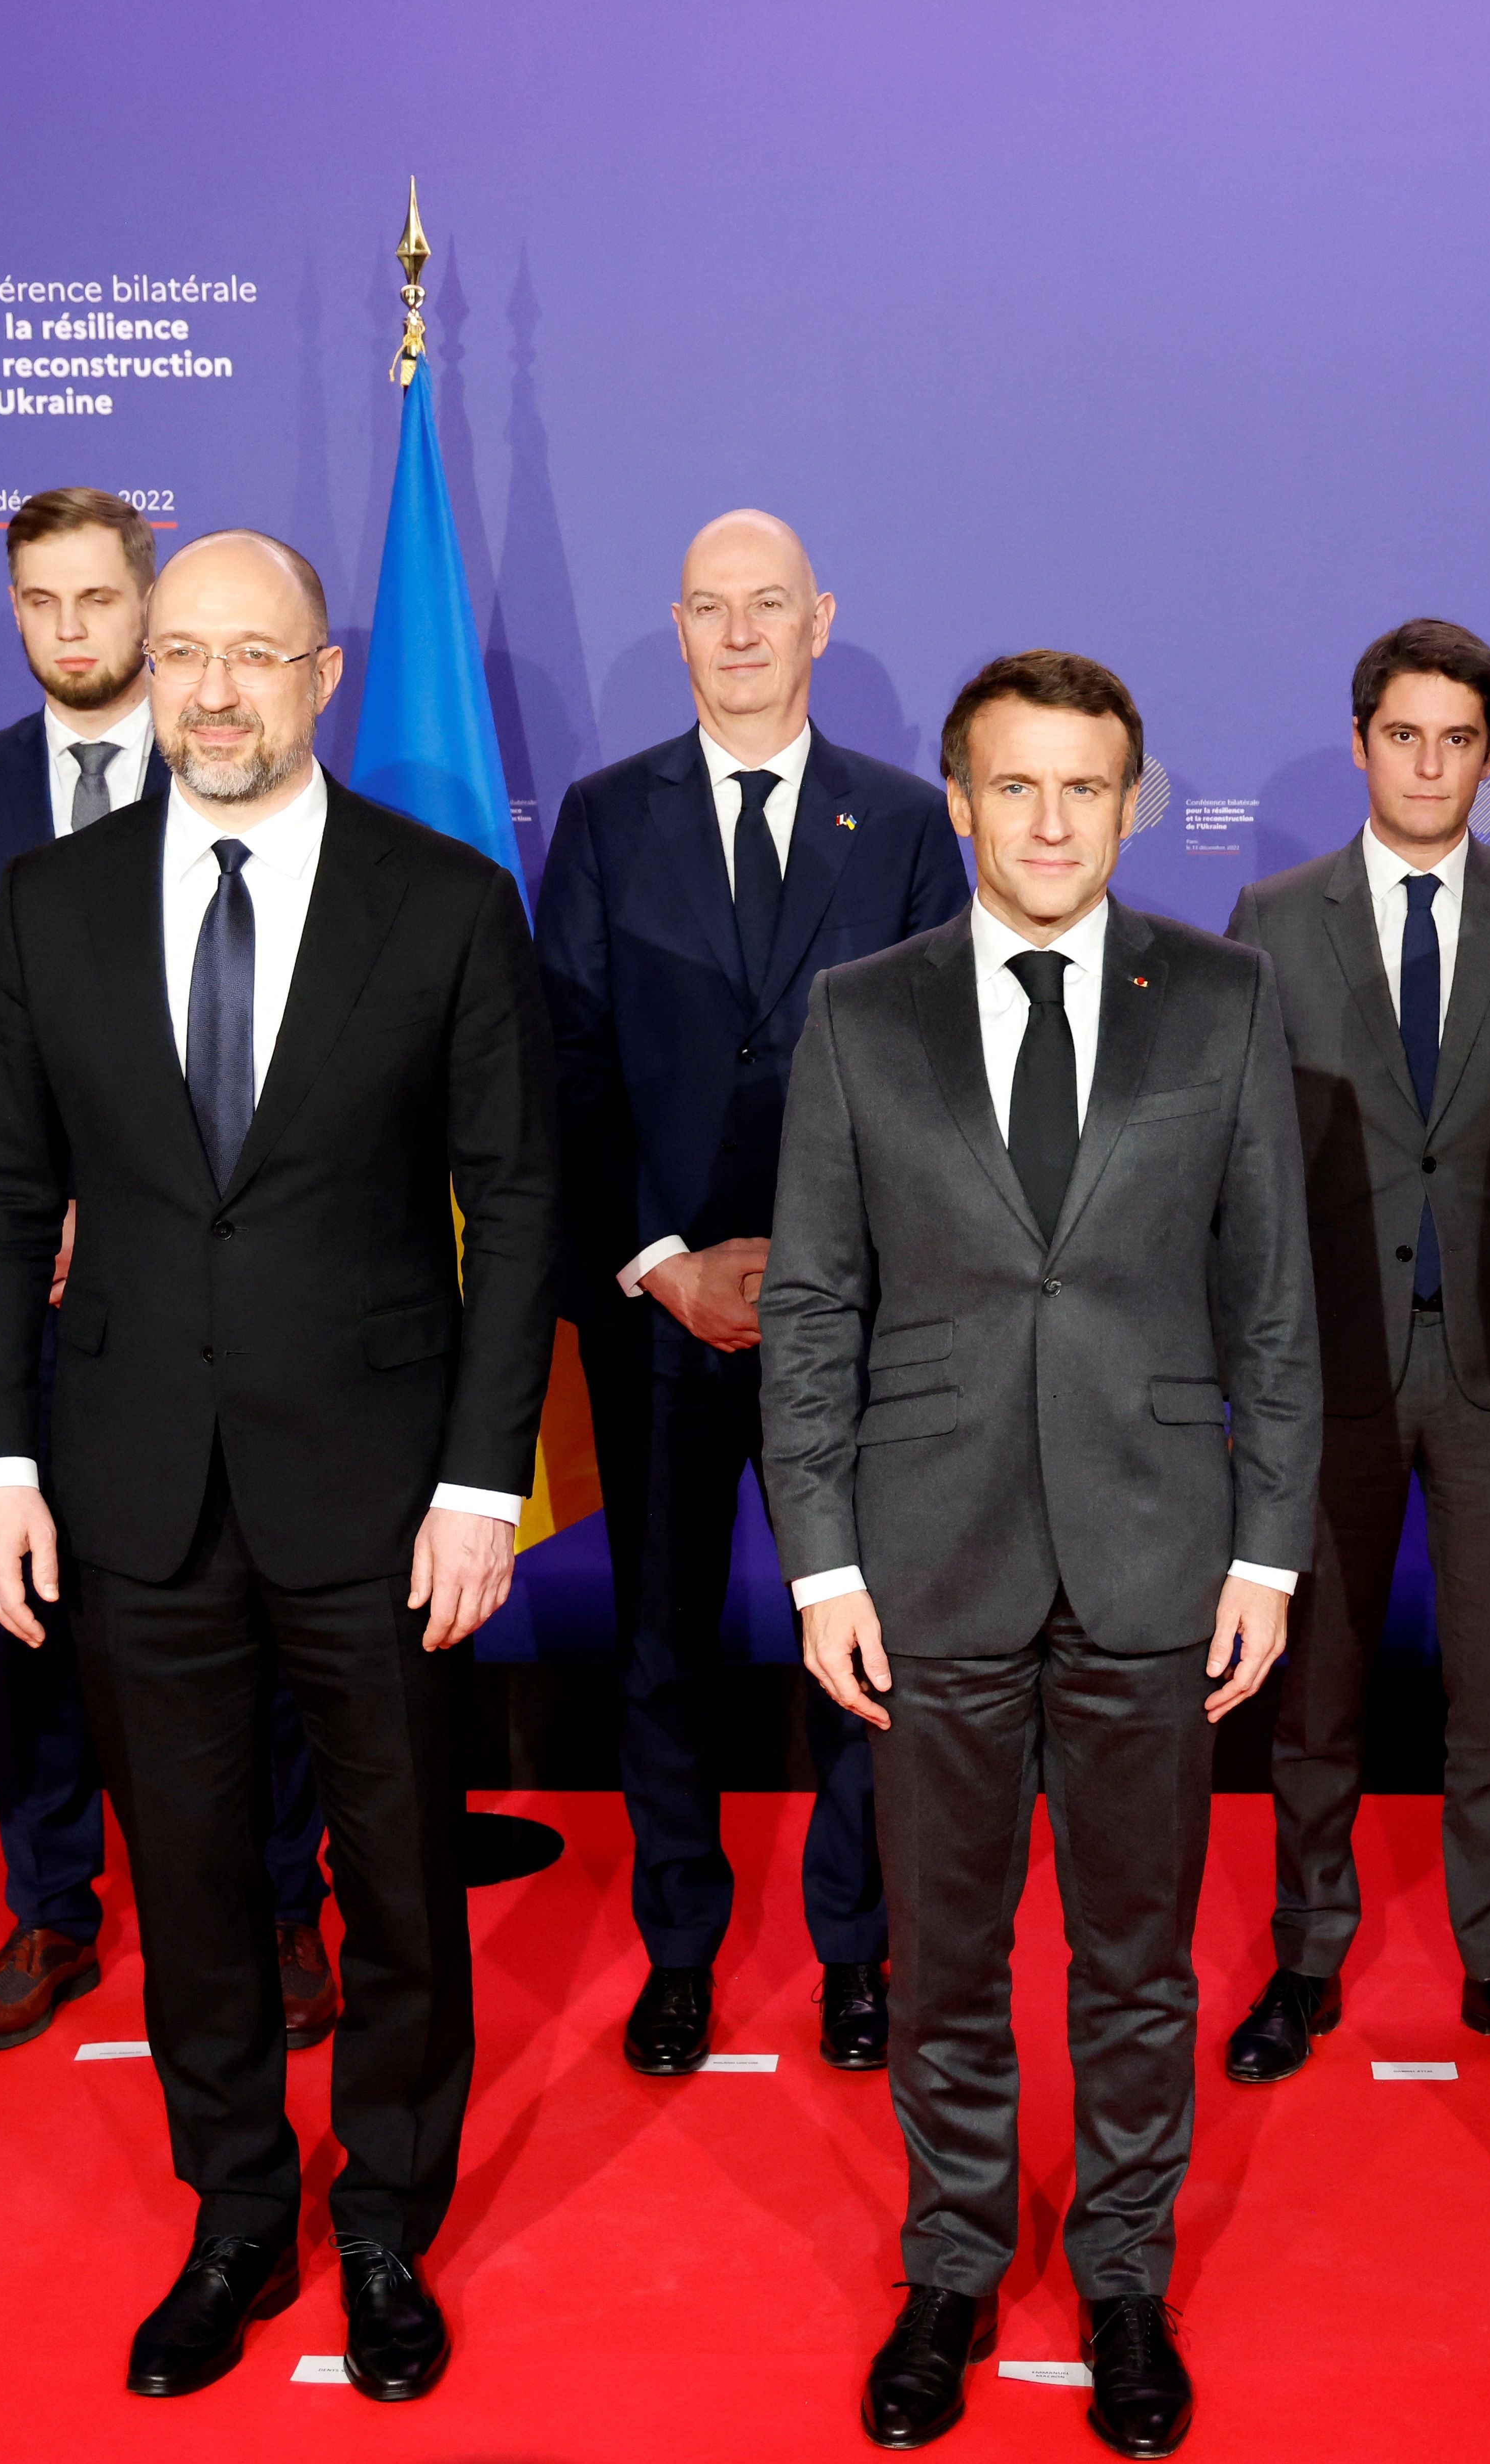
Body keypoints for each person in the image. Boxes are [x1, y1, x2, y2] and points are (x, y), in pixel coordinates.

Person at [0, 529, 562, 2402]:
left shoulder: (444, 902)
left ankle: (382, 2216)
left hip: (378, 1491)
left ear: (322, 679)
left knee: (392, 1874)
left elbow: (517, 1205)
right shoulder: (51, 905)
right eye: (181, 653)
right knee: (194, 1877)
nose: (210, 691)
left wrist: (480, 1482)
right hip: (129, 1481)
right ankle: (230, 2213)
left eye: (252, 656)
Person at [760, 651, 1318, 2458]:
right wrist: (824, 1563)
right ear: (960, 800)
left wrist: (1271, 1554)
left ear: (1134, 800)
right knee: (943, 1949)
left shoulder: (1222, 999)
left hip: (1161, 1555)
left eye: (1086, 787)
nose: (1054, 820)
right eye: (1017, 787)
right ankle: (948, 2262)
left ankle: (1128, 2272)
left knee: (1138, 1957)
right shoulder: (860, 1011)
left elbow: (1274, 1308)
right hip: (923, 1564)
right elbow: (815, 1310)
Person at [0, 488, 345, 2058]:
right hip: (31, 1272)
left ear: (151, 615)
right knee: (38, 1595)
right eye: (39, 602)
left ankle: (284, 1902)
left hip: (216, 1277)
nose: (70, 630)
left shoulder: (236, 759)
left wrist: (144, 1200)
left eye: (96, 600)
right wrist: (42, 1199)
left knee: (243, 1570)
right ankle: (54, 1903)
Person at [535, 509, 968, 2079]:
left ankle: (856, 1948)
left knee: (859, 1644)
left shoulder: (907, 821)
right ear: (678, 626)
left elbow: (933, 1068)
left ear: (818, 622)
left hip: (848, 1320)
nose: (737, 635)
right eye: (710, 608)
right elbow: (564, 1065)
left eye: (766, 607)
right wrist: (659, 1260)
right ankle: (680, 1949)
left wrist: (817, 1265)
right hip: (657, 1320)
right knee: (659, 1649)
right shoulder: (600, 817)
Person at [1222, 617, 1490, 2088]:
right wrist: (1253, 1383)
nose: (1430, 761)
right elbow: (1246, 1173)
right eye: (1404, 734)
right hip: (1324, 1371)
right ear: (1361, 743)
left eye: (1457, 738)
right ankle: (1305, 1956)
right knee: (1312, 1684)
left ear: (1488, 755)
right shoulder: (1274, 915)